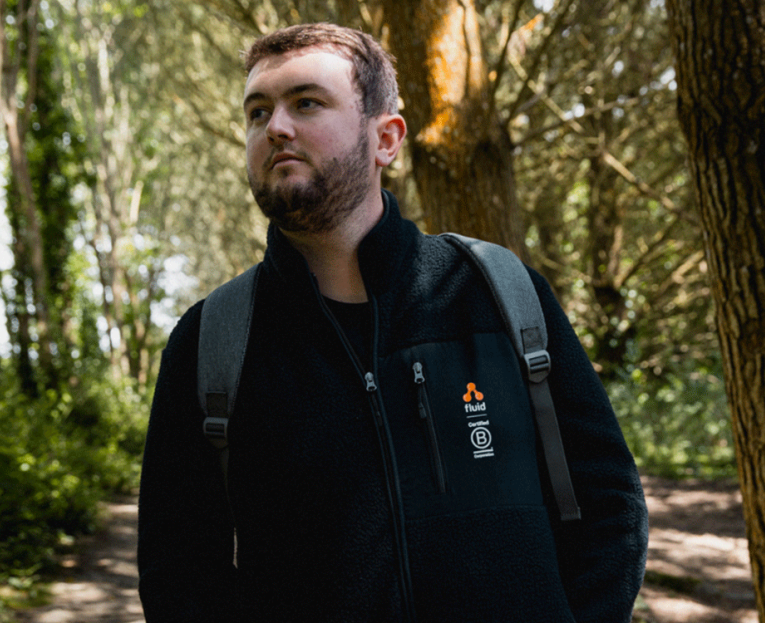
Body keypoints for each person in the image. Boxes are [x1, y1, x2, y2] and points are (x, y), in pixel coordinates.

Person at [137, 22, 648, 623]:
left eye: (306, 102)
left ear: (386, 139)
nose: (275, 127)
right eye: (257, 111)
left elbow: (609, 504)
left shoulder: (498, 293)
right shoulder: (212, 343)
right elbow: (178, 574)